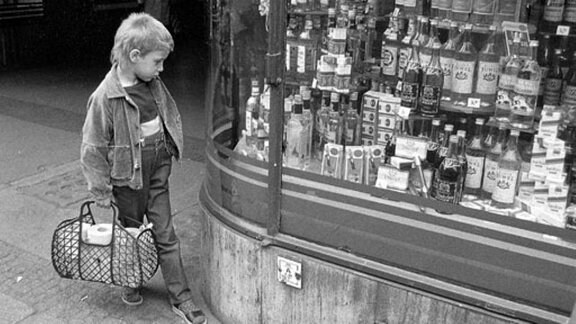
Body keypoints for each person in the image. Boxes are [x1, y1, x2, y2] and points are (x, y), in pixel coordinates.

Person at [80, 12, 207, 324]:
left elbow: (164, 116)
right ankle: (132, 281)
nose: (162, 68)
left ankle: (182, 297)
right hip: (126, 180)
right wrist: (100, 191)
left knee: (166, 234)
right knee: (131, 235)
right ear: (134, 56)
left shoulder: (152, 81)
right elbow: (92, 147)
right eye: (157, 61)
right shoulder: (105, 97)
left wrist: (168, 149)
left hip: (156, 169)